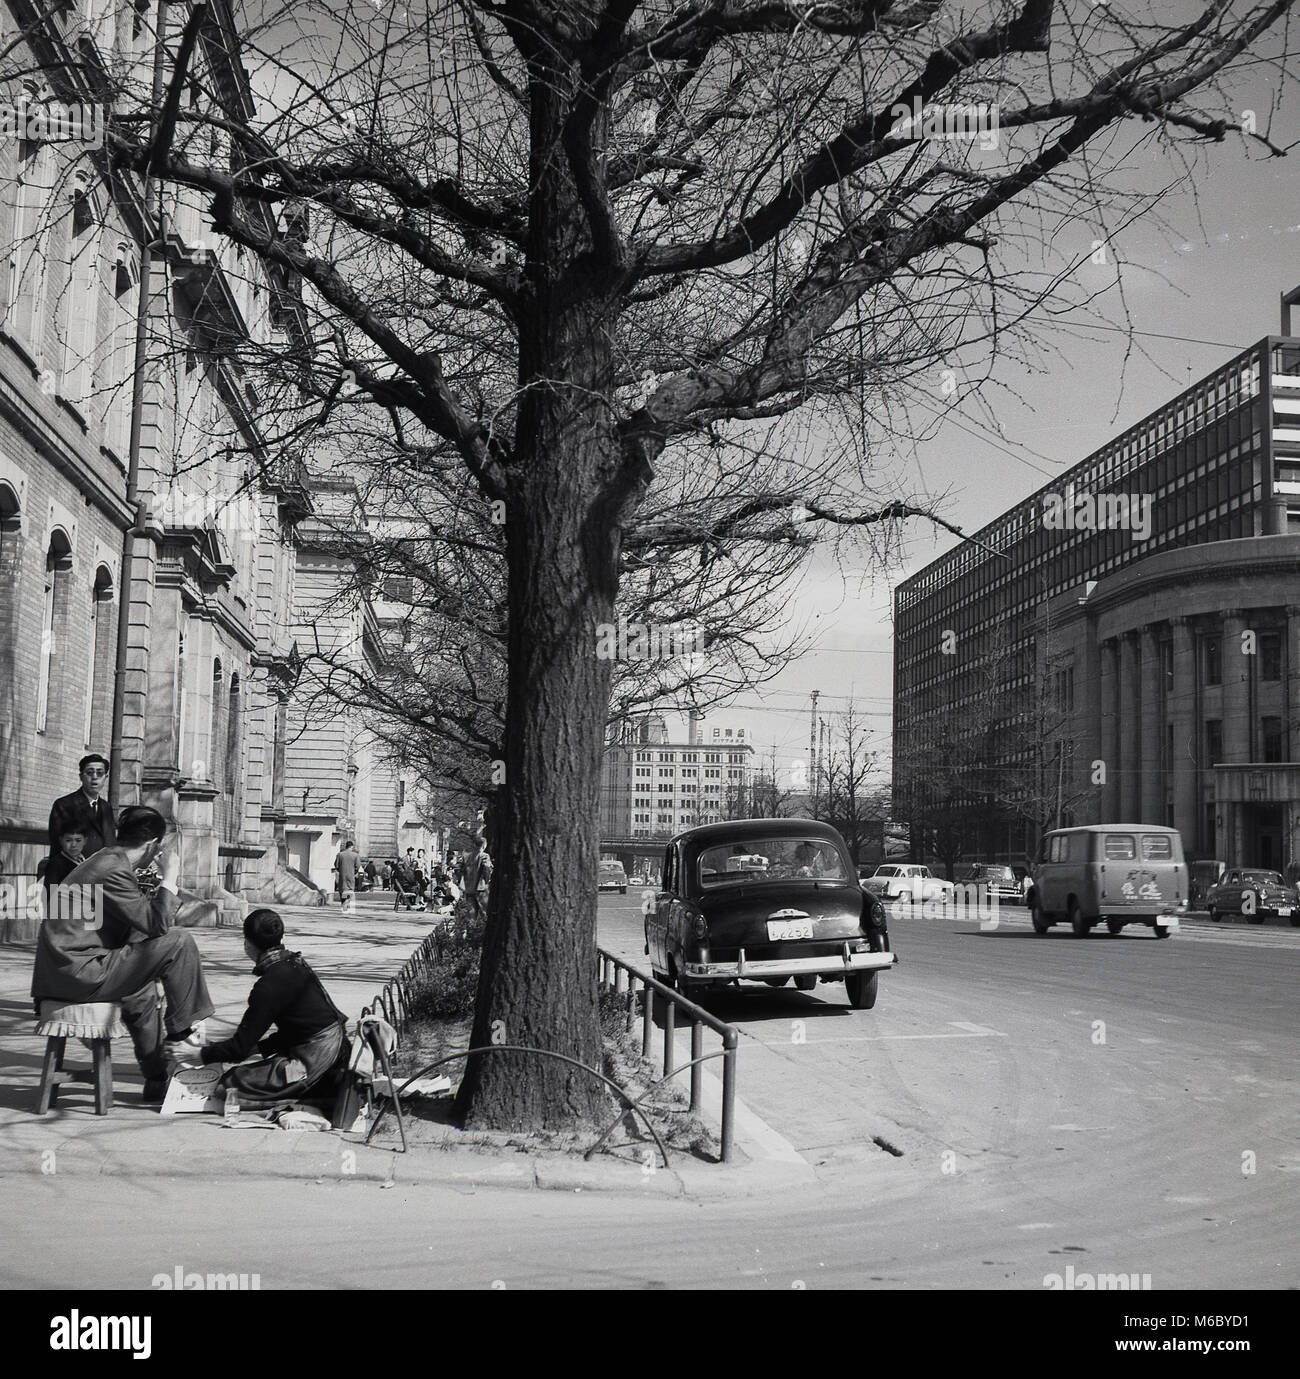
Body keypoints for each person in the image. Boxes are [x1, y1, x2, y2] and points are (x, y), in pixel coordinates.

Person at [30, 805, 214, 1103]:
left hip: (66, 971)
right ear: (153, 845)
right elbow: (156, 925)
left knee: (140, 992)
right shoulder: (112, 869)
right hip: (81, 971)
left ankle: (157, 1077)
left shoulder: (106, 861)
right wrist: (170, 876)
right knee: (180, 941)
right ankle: (182, 1033)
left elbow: (138, 925)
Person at [175, 909, 349, 1106]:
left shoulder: (269, 985)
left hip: (317, 1060)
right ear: (282, 937)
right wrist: (254, 1048)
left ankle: (315, 1092)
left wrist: (199, 1055)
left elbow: (239, 1049)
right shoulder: (295, 963)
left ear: (247, 944)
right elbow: (297, 1029)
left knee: (229, 1085)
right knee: (252, 1071)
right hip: (333, 1050)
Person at [48, 754, 116, 862]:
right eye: (89, 772)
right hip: (74, 872)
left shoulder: (106, 807)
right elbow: (58, 844)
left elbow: (110, 842)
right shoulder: (64, 804)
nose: (94, 777)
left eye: (99, 773)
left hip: (103, 871)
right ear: (81, 776)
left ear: (106, 777)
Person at [42, 827, 87, 893]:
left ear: (85, 841)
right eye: (68, 840)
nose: (73, 845)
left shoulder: (86, 860)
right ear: (61, 840)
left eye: (78, 840)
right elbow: (49, 894)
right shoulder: (56, 864)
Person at [459, 835, 493, 919]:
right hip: (480, 887)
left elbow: (460, 870)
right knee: (484, 912)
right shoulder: (484, 856)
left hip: (468, 887)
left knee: (471, 913)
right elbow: (486, 871)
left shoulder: (466, 856)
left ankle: (471, 929)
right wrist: (488, 880)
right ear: (484, 845)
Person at [334, 840, 358, 912]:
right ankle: (347, 905)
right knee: (349, 890)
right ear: (351, 846)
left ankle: (344, 906)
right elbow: (358, 866)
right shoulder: (355, 855)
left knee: (343, 890)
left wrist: (340, 870)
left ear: (346, 846)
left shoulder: (340, 855)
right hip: (351, 875)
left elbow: (336, 865)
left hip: (342, 875)